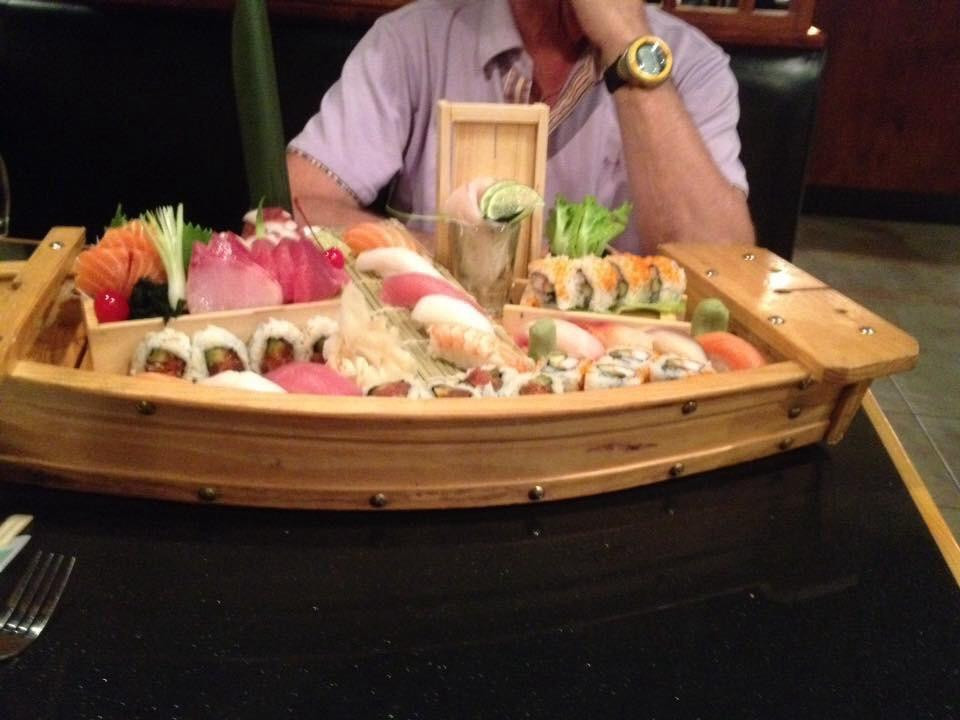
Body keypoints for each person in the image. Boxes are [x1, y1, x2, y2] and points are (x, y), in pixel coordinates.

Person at [287, 0, 755, 255]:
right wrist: (444, 254)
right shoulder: (410, 41)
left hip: (623, 372)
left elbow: (720, 262)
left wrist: (627, 45)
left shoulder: (690, 65)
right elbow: (294, 203)